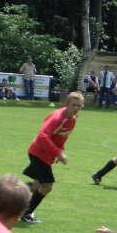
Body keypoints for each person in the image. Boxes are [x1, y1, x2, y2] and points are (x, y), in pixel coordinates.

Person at [21, 91, 84, 223]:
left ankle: (10, 190)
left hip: (45, 155)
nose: (76, 108)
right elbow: (42, 136)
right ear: (67, 104)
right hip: (38, 153)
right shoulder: (57, 117)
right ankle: (26, 213)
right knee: (47, 186)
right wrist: (58, 153)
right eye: (74, 105)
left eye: (79, 106)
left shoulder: (72, 119)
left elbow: (62, 137)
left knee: (36, 186)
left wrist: (59, 150)